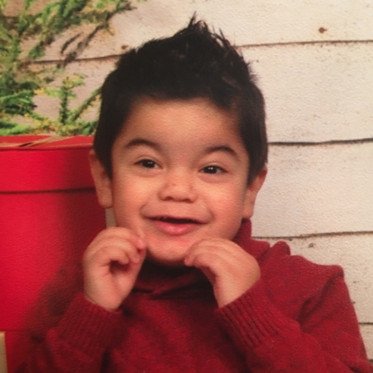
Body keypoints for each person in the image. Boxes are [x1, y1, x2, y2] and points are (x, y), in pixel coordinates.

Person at [20, 18, 371, 372]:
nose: (177, 190)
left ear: (250, 189)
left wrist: (254, 315)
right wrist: (92, 316)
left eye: (211, 169)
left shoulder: (310, 289)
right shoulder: (79, 290)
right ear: (106, 179)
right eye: (148, 163)